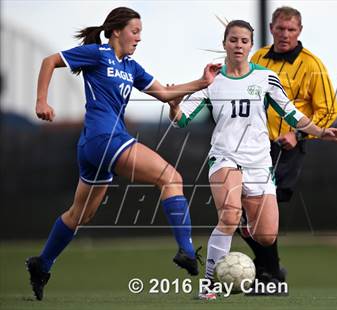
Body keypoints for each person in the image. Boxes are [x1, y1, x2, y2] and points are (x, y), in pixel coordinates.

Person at [26, 7, 221, 301]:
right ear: (116, 30)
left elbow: (165, 94)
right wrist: (41, 100)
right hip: (105, 138)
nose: (139, 38)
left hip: (95, 146)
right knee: (171, 178)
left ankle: (42, 263)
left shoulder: (131, 67)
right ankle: (187, 251)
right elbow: (49, 60)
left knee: (81, 215)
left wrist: (202, 82)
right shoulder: (97, 53)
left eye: (140, 32)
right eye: (135, 31)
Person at [168, 20, 337, 300]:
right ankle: (210, 285)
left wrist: (320, 132)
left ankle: (246, 252)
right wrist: (174, 103)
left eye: (244, 41)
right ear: (224, 43)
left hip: (260, 163)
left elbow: (290, 113)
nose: (238, 45)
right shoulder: (211, 80)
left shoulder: (265, 77)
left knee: (266, 235)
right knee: (228, 215)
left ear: (251, 46)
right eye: (233, 40)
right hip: (225, 157)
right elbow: (181, 121)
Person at [238, 6, 337, 288]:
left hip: (287, 147)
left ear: (300, 31)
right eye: (280, 28)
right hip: (254, 146)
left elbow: (329, 109)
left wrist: (298, 134)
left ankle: (268, 272)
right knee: (238, 214)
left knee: (260, 209)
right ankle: (269, 269)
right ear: (271, 28)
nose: (285, 34)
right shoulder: (258, 57)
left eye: (291, 29)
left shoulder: (311, 65)